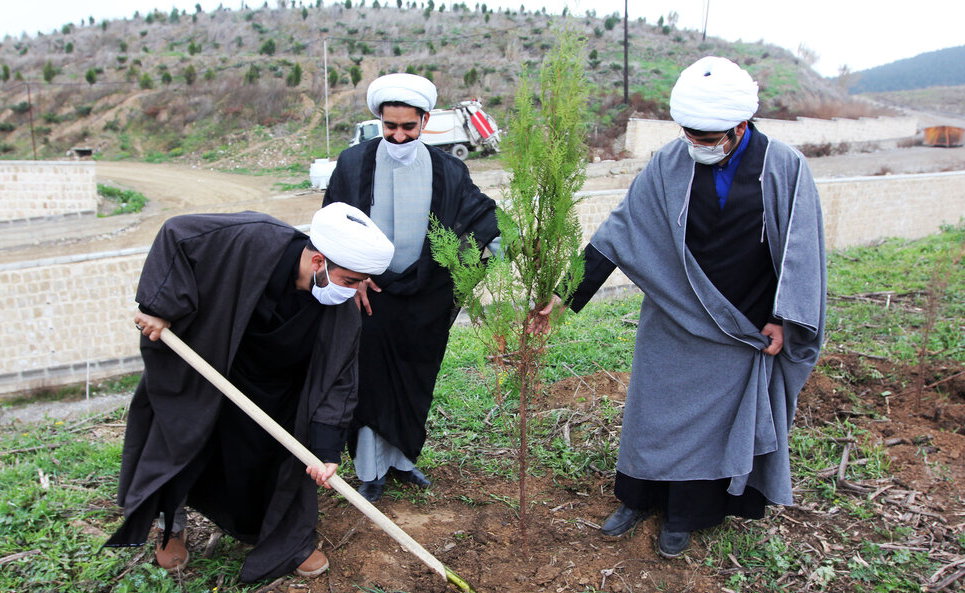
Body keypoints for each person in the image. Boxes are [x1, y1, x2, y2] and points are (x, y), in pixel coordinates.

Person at [531, 56, 826, 558]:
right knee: (654, 414)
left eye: (708, 136)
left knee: (714, 426)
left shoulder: (784, 167)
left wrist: (783, 318)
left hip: (744, 325)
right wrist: (561, 296)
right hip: (674, 319)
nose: (697, 144)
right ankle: (639, 498)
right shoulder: (670, 163)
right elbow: (619, 232)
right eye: (690, 133)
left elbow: (801, 250)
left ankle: (686, 515)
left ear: (739, 125)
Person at [104, 204, 394, 582]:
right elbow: (177, 233)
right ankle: (170, 525)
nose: (357, 291)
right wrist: (160, 307)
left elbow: (339, 379)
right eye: (352, 280)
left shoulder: (339, 307)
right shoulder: (251, 238)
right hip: (211, 363)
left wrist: (324, 450)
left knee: (272, 460)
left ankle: (285, 539)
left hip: (277, 388)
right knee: (180, 443)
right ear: (319, 260)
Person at [323, 73, 500, 502]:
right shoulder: (353, 163)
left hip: (425, 296)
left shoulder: (449, 169)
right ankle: (371, 471)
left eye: (408, 126)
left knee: (414, 376)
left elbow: (482, 220)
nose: (399, 136)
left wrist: (507, 246)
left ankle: (403, 462)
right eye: (390, 126)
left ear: (425, 122)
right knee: (370, 381)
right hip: (371, 295)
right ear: (380, 121)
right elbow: (331, 223)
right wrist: (353, 276)